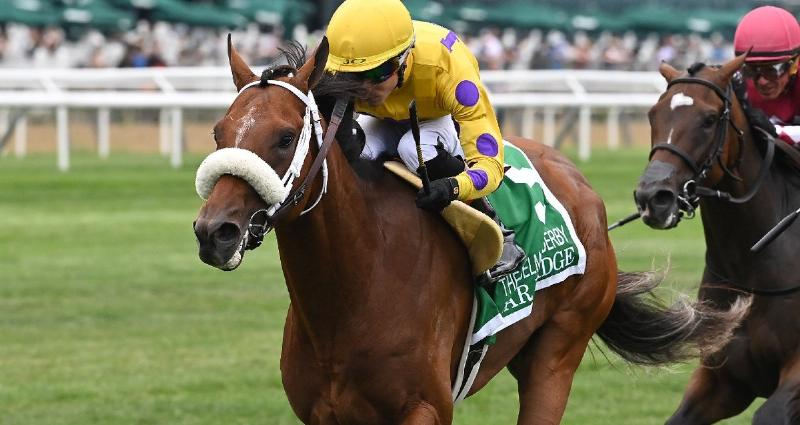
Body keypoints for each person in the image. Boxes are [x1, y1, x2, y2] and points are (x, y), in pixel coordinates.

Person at [324, 0, 524, 281]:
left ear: (404, 58)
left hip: (436, 118)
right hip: (384, 120)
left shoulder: (449, 71)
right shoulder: (334, 71)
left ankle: (497, 231)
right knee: (356, 154)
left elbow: (490, 166)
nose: (365, 88)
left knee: (413, 148)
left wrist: (453, 187)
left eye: (376, 73)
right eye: (354, 77)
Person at [734, 5, 800, 147]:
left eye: (772, 70)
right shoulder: (740, 82)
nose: (762, 81)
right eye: (751, 70)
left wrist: (773, 130)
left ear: (794, 65)